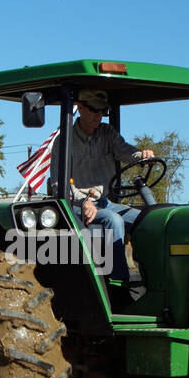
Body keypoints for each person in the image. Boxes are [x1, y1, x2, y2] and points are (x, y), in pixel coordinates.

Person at [67, 88, 154, 281]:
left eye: (103, 111)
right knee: (113, 220)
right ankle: (118, 285)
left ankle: (154, 282)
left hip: (105, 202)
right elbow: (59, 183)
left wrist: (141, 156)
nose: (99, 115)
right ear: (79, 107)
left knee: (149, 219)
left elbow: (125, 152)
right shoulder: (64, 141)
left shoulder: (107, 134)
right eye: (94, 109)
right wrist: (83, 202)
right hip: (77, 207)